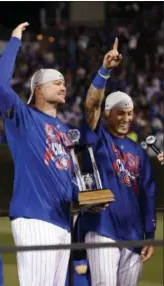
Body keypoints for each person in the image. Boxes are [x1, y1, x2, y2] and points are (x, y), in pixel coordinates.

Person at [0, 22, 77, 286]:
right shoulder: (24, 118)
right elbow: (0, 85)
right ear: (39, 89)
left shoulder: (64, 129)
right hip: (35, 217)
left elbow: (68, 177)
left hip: (63, 222)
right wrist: (15, 40)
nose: (63, 86)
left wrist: (85, 200)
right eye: (57, 82)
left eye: (64, 82)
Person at [79, 38, 157, 286]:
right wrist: (105, 70)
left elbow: (147, 194)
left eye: (130, 113)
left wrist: (149, 234)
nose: (126, 118)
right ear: (108, 113)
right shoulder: (97, 137)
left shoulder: (138, 150)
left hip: (134, 233)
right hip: (102, 227)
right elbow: (91, 105)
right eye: (121, 112)